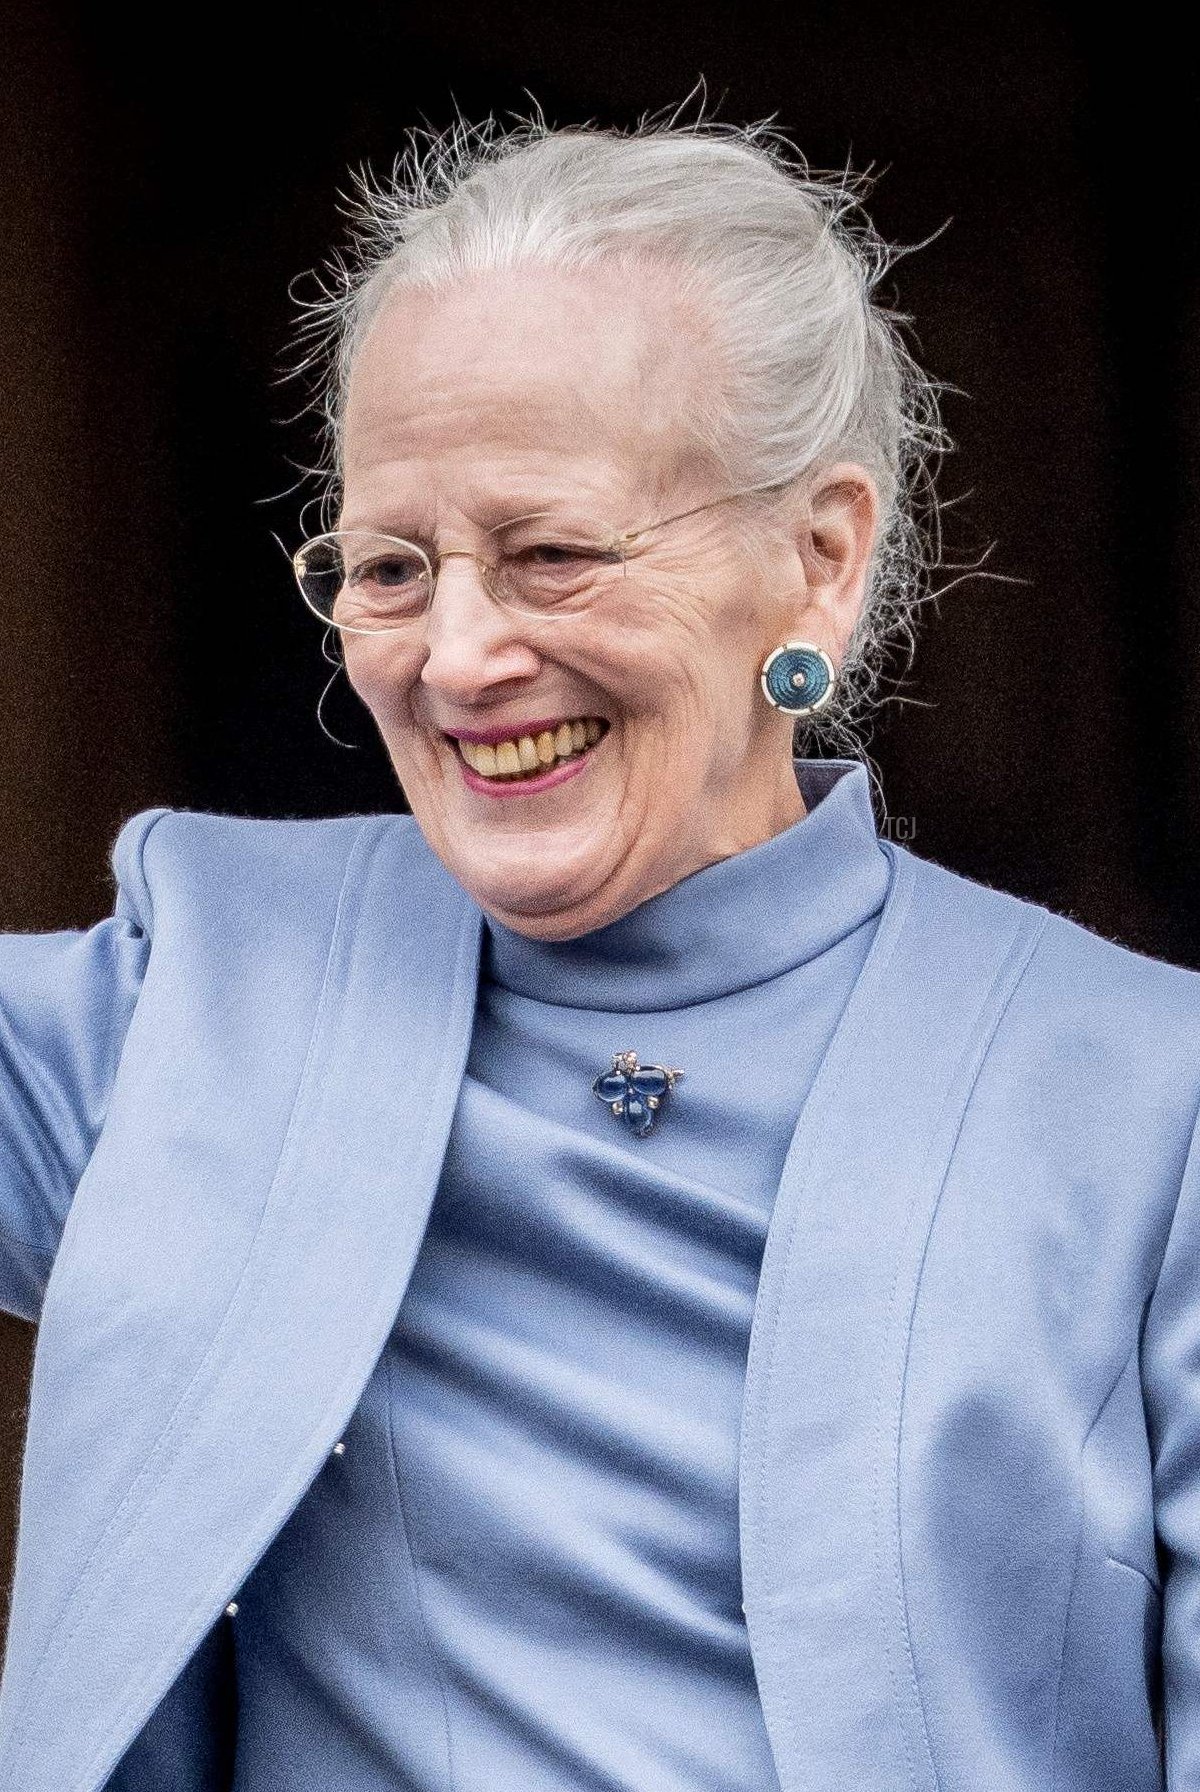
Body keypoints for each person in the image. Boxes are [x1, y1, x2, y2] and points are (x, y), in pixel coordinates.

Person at [1, 113, 1198, 1792]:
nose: (463, 656)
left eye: (553, 552)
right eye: (394, 569)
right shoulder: (195, 984)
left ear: (820, 557)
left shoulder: (1151, 1101)